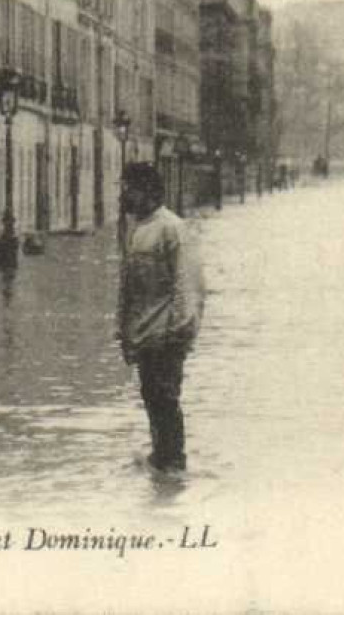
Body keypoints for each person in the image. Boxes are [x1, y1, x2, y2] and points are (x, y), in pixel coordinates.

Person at [116, 162, 203, 475]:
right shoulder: (135, 229)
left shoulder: (173, 228)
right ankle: (161, 463)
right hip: (143, 334)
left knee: (165, 398)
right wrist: (122, 331)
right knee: (151, 397)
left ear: (149, 191)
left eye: (130, 189)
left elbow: (186, 282)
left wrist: (179, 331)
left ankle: (174, 464)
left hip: (166, 334)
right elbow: (127, 286)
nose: (124, 195)